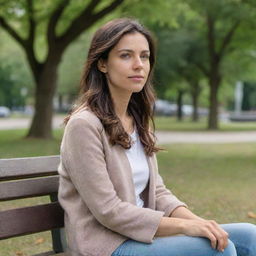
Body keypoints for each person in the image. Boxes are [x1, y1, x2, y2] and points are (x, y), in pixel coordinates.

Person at [58, 18, 256, 256]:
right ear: (102, 63)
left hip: (141, 237)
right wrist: (185, 226)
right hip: (107, 244)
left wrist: (201, 224)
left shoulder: (137, 119)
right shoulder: (84, 125)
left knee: (249, 235)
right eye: (125, 56)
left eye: (144, 56)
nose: (139, 65)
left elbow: (158, 193)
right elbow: (109, 211)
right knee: (218, 251)